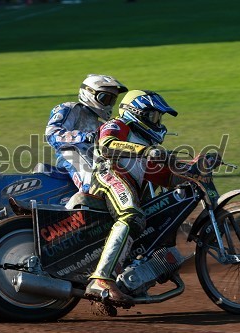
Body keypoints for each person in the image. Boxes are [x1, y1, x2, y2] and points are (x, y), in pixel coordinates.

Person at [84, 90, 181, 304]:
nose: (157, 122)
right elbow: (106, 145)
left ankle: (129, 277)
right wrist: (144, 151)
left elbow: (167, 178)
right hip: (108, 175)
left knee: (154, 224)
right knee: (132, 216)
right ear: (136, 112)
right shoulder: (118, 125)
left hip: (128, 184)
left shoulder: (144, 145)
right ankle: (101, 280)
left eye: (159, 117)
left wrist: (194, 168)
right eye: (153, 116)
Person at [45, 74, 127, 194]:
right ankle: (86, 201)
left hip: (98, 158)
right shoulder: (70, 108)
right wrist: (85, 137)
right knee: (93, 180)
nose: (109, 104)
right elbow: (52, 134)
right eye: (105, 98)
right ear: (89, 93)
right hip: (72, 153)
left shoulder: (105, 124)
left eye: (112, 100)